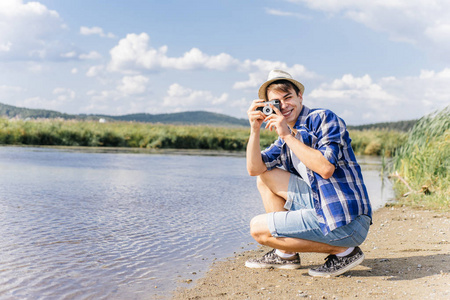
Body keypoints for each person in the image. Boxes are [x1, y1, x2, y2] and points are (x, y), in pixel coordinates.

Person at [245, 69, 372, 277]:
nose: (284, 106)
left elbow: (325, 168)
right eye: (276, 102)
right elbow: (254, 169)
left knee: (258, 228)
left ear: (300, 97)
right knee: (264, 177)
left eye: (288, 98)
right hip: (321, 207)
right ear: (268, 106)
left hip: (348, 221)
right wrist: (254, 129)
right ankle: (285, 255)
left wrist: (286, 135)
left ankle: (344, 250)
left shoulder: (323, 118)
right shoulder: (285, 136)